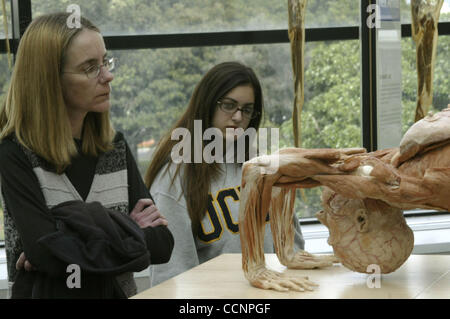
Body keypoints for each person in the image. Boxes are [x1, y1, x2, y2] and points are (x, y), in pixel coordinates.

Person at [0, 12, 174, 298]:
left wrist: (64, 241)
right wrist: (130, 228)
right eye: (90, 68)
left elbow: (163, 244)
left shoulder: (114, 147)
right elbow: (48, 256)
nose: (108, 75)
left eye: (105, 61)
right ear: (49, 79)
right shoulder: (14, 153)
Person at [144, 61, 305, 286]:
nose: (238, 117)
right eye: (229, 105)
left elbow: (293, 248)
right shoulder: (175, 179)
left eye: (247, 109)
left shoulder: (262, 167)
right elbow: (171, 278)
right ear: (207, 105)